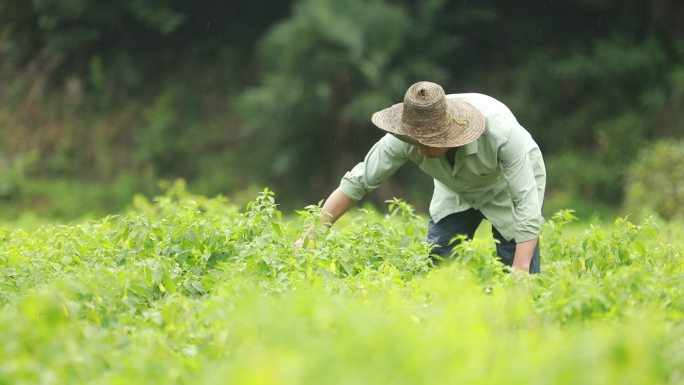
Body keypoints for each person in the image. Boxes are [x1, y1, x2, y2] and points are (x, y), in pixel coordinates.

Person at [296, 81, 546, 274]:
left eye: (430, 143)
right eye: (415, 143)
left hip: (505, 187)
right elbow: (357, 182)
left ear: (451, 134)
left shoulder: (501, 135)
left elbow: (526, 206)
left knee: (519, 274)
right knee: (439, 266)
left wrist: (521, 273)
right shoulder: (404, 138)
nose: (421, 150)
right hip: (455, 188)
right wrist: (311, 235)